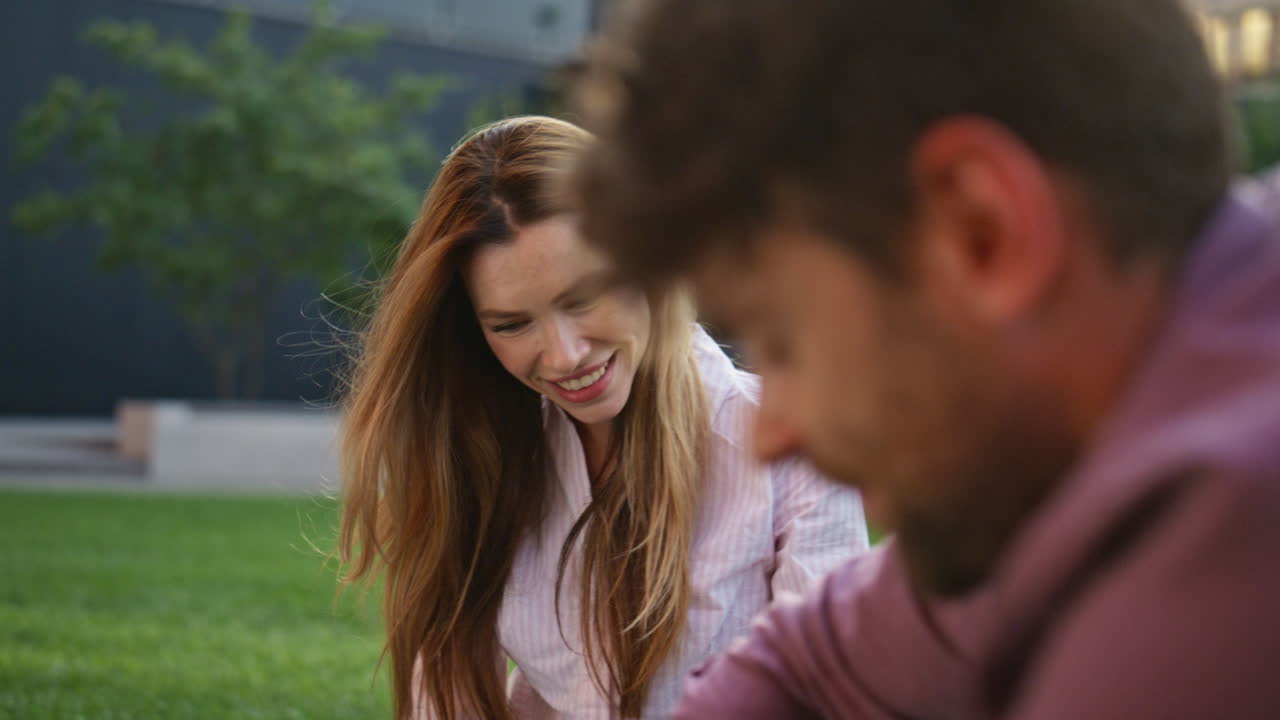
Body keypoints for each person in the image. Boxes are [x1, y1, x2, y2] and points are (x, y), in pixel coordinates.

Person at [568, 0, 1280, 718]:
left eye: (781, 340)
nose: (770, 434)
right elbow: (810, 664)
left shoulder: (1214, 566)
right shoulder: (1060, 469)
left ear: (982, 232)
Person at [336, 115, 867, 720]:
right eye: (512, 324)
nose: (564, 356)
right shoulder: (481, 445)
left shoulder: (798, 445)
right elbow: (448, 699)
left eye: (584, 297)